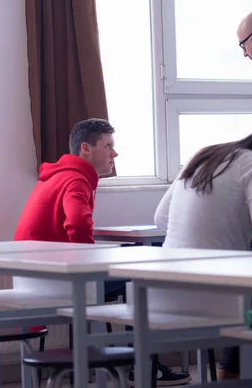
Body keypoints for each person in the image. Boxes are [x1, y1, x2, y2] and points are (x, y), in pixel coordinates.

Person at [14, 119, 191, 386]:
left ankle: (133, 363)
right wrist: (90, 266)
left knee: (133, 268)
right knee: (140, 279)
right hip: (57, 280)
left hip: (37, 275)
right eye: (108, 146)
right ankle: (140, 367)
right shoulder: (75, 179)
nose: (114, 153)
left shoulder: (59, 175)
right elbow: (78, 222)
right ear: (86, 148)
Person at [153, 119, 252, 380]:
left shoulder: (204, 156)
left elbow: (161, 219)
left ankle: (234, 372)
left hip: (166, 290)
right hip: (216, 294)